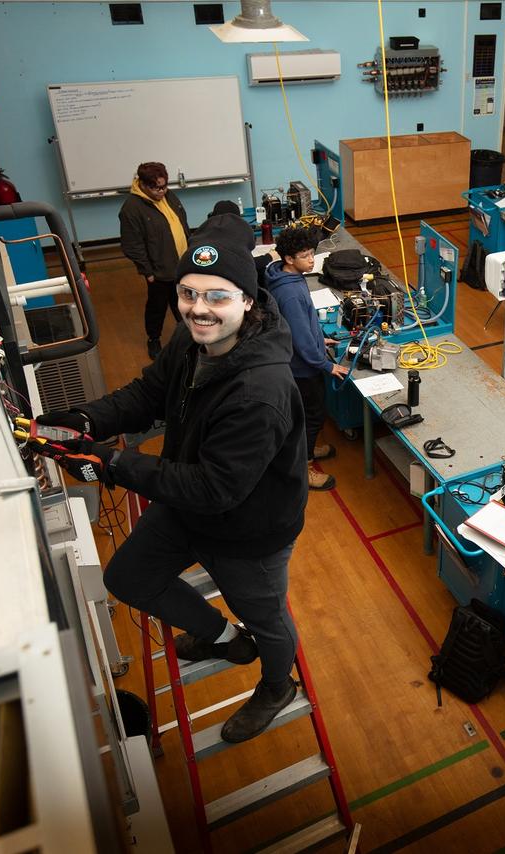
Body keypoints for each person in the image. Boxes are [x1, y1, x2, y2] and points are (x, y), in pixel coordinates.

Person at [37, 222, 309, 743]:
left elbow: (216, 489)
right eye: (188, 294)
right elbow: (146, 395)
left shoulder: (260, 390)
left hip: (248, 531)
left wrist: (114, 465)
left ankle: (277, 684)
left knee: (269, 620)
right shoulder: (190, 341)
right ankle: (226, 638)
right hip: (187, 505)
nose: (198, 308)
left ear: (248, 302)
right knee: (129, 579)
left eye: (216, 297)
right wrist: (85, 421)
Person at [266, 228, 350, 491]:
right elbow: (299, 338)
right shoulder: (289, 293)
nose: (312, 260)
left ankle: (310, 448)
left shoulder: (289, 276)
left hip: (302, 359)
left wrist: (319, 337)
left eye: (312, 253)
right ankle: (305, 467)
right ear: (289, 259)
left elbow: (303, 323)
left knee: (310, 415)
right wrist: (326, 364)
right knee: (310, 417)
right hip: (301, 369)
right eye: (305, 255)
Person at [119, 161, 190, 360]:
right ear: (142, 184)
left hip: (181, 264)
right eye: (156, 187)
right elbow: (132, 245)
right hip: (158, 271)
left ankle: (189, 337)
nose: (161, 191)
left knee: (183, 304)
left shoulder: (169, 196)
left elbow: (182, 223)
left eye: (164, 186)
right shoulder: (131, 209)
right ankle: (154, 340)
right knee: (157, 308)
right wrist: (147, 272)